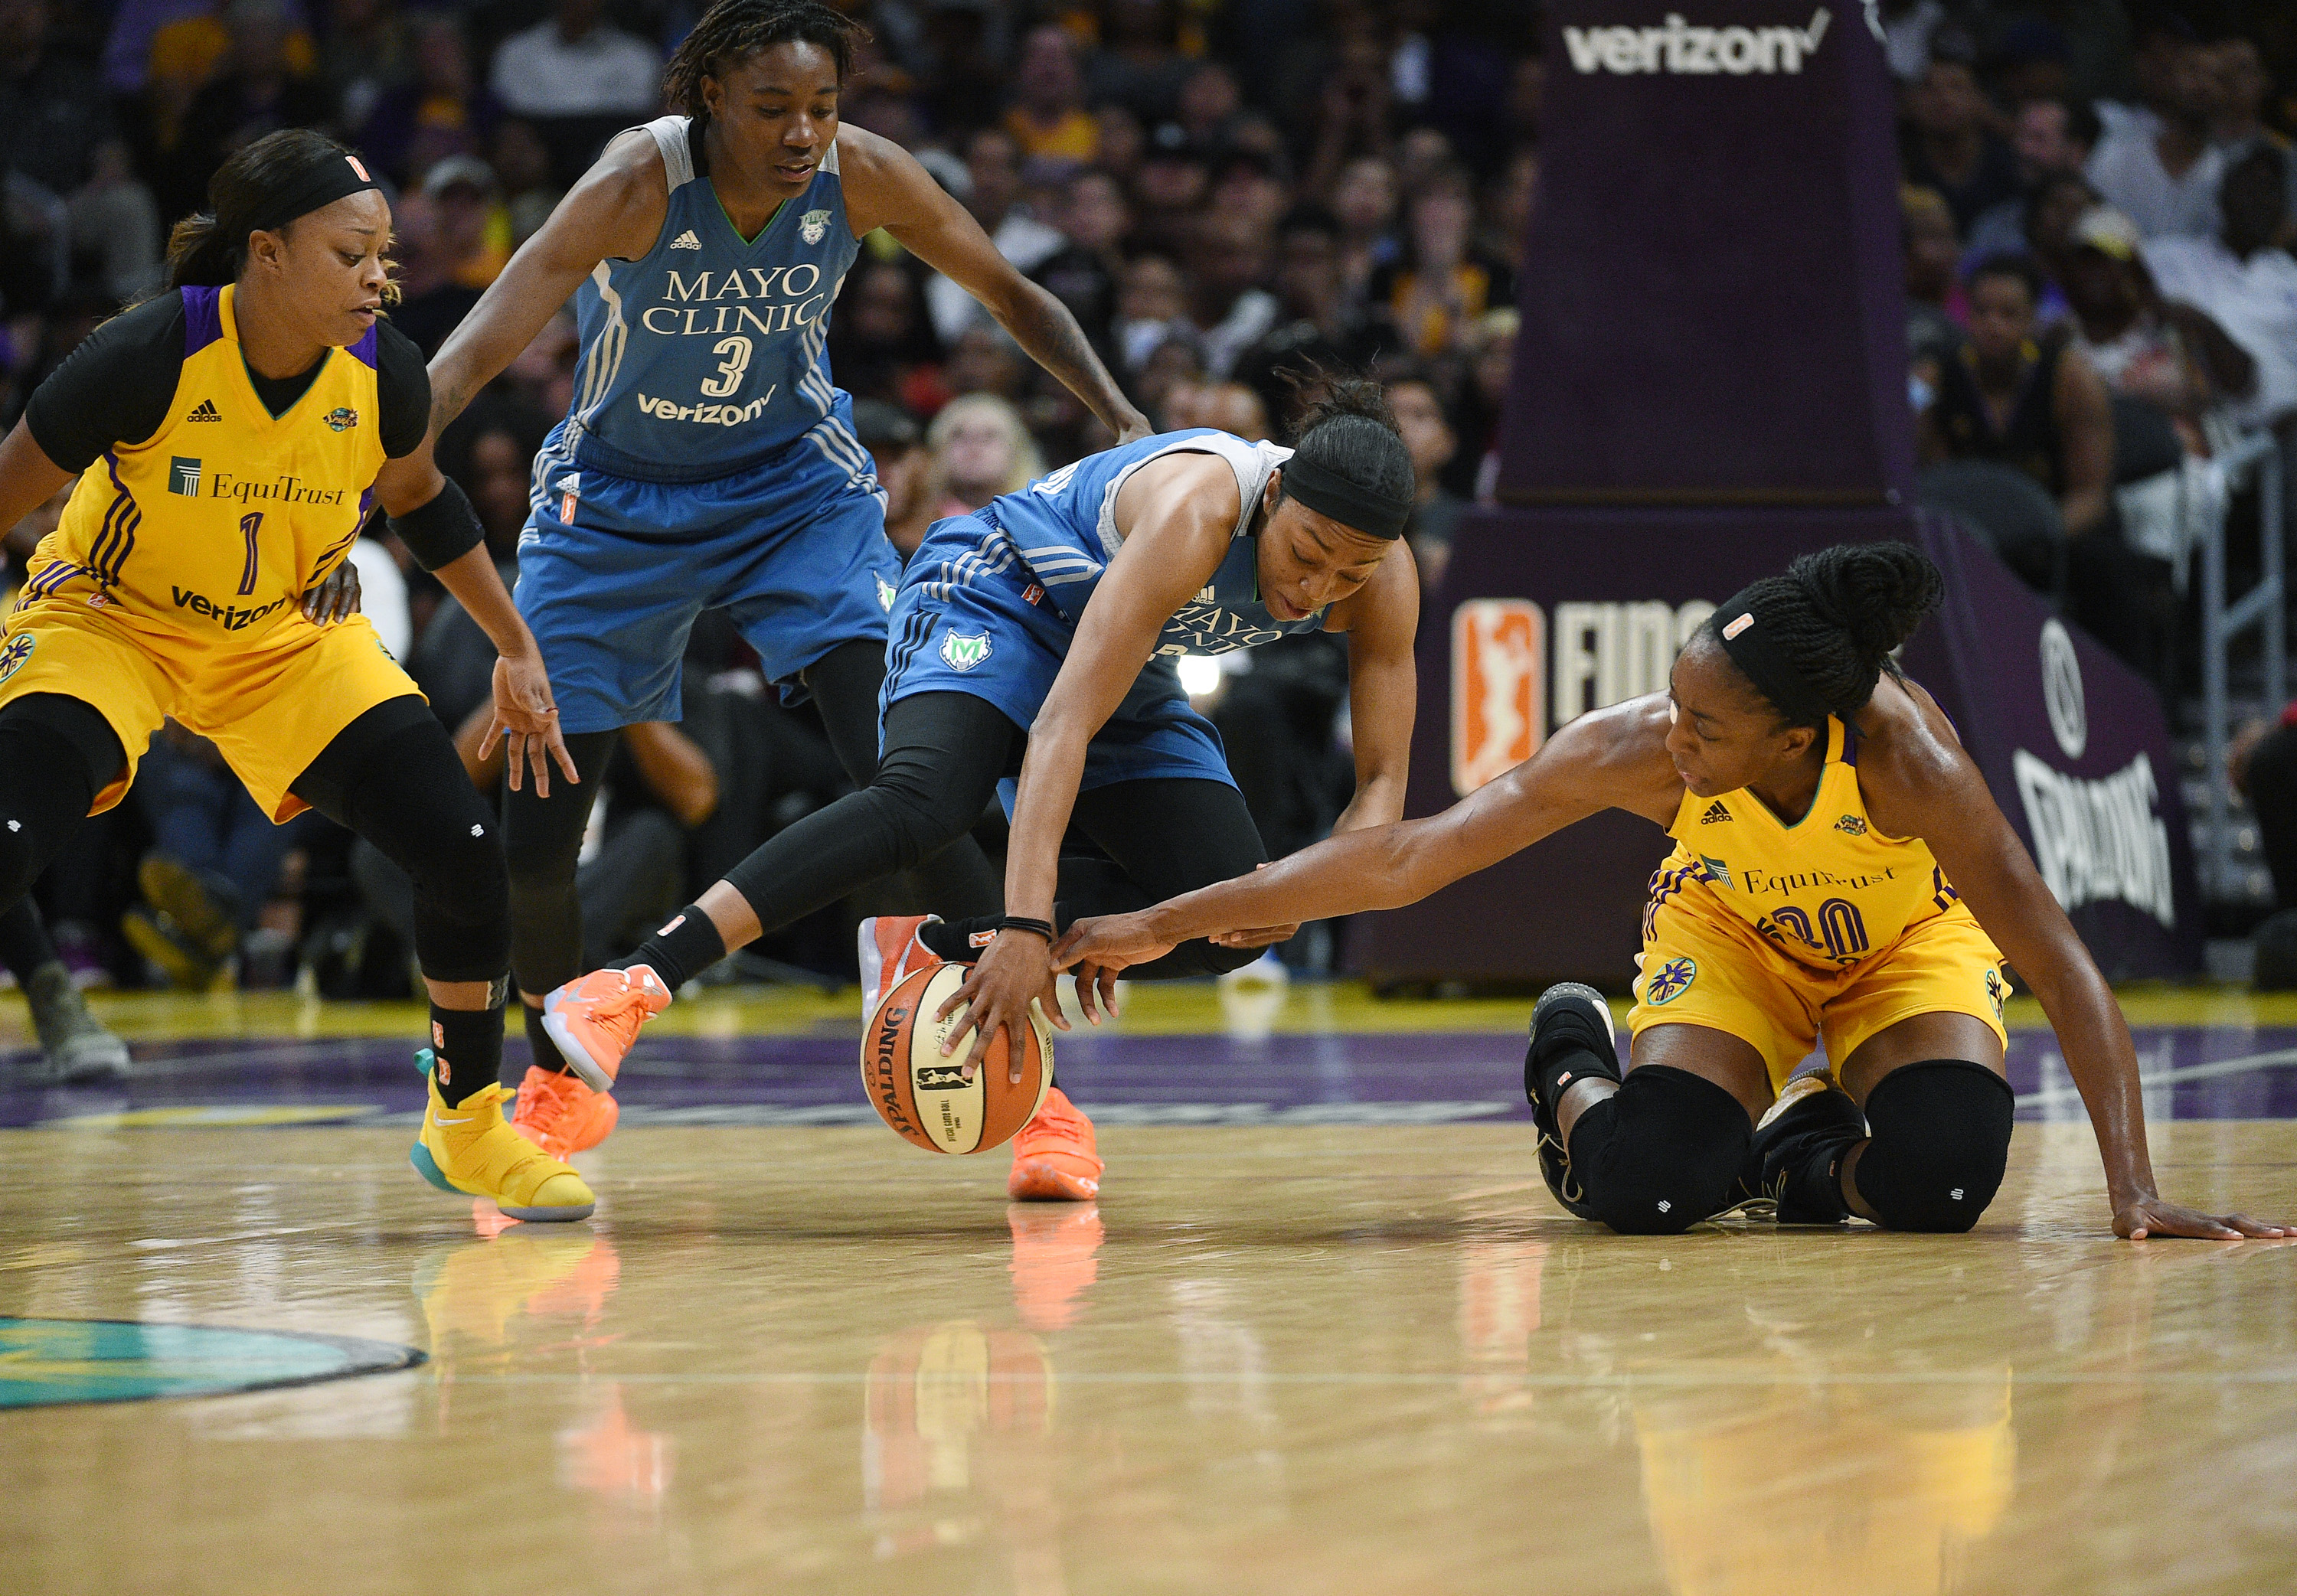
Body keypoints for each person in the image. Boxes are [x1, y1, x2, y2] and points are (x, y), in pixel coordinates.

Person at [1056, 543, 2288, 1242]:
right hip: (1733, 938)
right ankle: (1572, 1057)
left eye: (1705, 726)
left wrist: (2133, 1188)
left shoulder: (1915, 767)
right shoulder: (1639, 746)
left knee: (1951, 1177)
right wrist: (1162, 920)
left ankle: (1794, 1159)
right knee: (1642, 1188)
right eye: (1675, 704)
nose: (1674, 737)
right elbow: (1411, 855)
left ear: (1802, 739)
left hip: (1901, 948)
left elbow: (2062, 959)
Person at [417, 0, 1152, 1157]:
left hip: (796, 498)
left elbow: (1015, 295)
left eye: (822, 105)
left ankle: (1035, 1097)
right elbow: (474, 349)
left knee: (920, 776)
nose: (803, 131)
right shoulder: (632, 185)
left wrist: (1114, 412)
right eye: (773, 109)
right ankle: (559, 1079)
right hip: (612, 509)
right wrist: (373, 462)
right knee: (541, 836)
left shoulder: (863, 176)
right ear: (709, 96)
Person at [537, 383, 1423, 1203]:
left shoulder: (1381, 580)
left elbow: (1381, 783)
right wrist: (1029, 928)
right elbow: (1060, 727)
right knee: (926, 803)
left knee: (1237, 915)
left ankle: (938, 946)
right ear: (1273, 499)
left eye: (1348, 575)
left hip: (1120, 658)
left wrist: (1300, 894)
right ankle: (636, 981)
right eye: (1307, 555)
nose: (1316, 590)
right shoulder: (1199, 510)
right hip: (999, 595)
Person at [0, 129, 595, 1221]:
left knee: (465, 853)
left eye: (385, 257)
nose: (378, 276)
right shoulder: (148, 354)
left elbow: (422, 503)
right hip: (111, 620)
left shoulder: (386, 372)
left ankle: (466, 1126)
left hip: (279, 636)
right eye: (350, 253)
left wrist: (517, 646)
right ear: (264, 252)